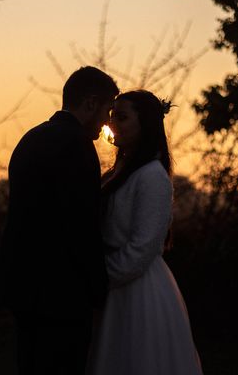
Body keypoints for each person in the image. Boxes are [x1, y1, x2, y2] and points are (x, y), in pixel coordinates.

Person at [0, 66, 119, 375]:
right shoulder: (77, 146)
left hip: (23, 285)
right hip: (61, 293)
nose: (107, 122)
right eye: (107, 109)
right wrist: (98, 287)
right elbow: (79, 227)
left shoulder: (32, 138)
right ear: (89, 103)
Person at [87, 90, 203, 375]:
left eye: (122, 117)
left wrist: (99, 278)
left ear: (146, 124)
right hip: (113, 287)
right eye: (112, 117)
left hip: (137, 292)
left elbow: (143, 248)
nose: (113, 124)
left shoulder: (151, 175)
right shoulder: (117, 173)